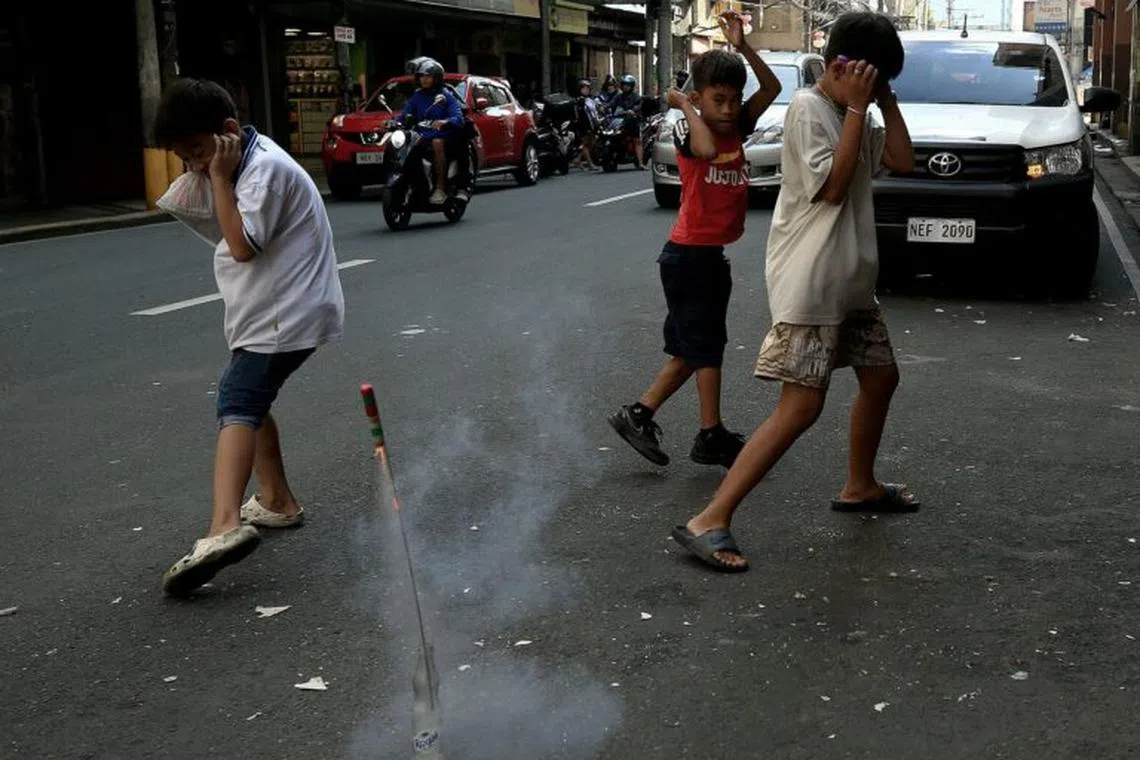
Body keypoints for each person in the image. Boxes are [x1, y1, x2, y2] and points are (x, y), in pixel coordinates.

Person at [671, 12, 919, 573]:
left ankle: (859, 485)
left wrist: (886, 103)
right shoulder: (811, 109)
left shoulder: (853, 109)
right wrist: (858, 108)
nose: (878, 90)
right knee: (801, 406)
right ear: (843, 68)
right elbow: (831, 190)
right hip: (812, 283)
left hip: (850, 282)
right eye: (874, 79)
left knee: (882, 378)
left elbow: (901, 160)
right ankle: (709, 518)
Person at [153, 79, 345, 596]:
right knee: (253, 401)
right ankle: (277, 499)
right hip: (273, 312)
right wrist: (210, 171)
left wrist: (216, 176)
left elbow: (240, 246)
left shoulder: (263, 171)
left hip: (284, 315)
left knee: (237, 399)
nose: (193, 164)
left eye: (197, 151)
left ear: (229, 133)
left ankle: (222, 527)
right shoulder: (246, 163)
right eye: (184, 156)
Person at [608, 11, 783, 472]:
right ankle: (710, 433)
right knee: (704, 347)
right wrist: (684, 106)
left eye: (732, 100)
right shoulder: (692, 129)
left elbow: (772, 90)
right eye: (717, 100)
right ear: (701, 99)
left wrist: (743, 46)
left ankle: (639, 414)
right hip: (688, 257)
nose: (727, 108)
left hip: (707, 257)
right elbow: (704, 151)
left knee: (693, 348)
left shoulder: (737, 125)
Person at [397, 58, 464, 205]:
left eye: (428, 76)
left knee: (437, 143)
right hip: (421, 136)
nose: (424, 80)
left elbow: (458, 118)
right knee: (404, 143)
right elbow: (404, 115)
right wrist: (393, 123)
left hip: (441, 137)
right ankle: (414, 181)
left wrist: (445, 122)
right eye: (422, 76)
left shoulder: (446, 96)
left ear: (436, 78)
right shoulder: (416, 97)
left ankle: (440, 188)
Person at [609, 74, 646, 169]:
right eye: (624, 84)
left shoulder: (636, 96)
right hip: (619, 120)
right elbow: (611, 104)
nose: (625, 87)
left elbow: (639, 105)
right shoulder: (619, 96)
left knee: (637, 140)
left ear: (632, 86)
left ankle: (641, 163)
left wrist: (633, 110)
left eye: (628, 85)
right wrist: (603, 107)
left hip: (632, 121)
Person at [570, 78, 600, 171]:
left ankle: (578, 159)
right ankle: (590, 163)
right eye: (583, 89)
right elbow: (579, 114)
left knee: (592, 142)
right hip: (583, 124)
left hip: (592, 124)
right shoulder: (579, 100)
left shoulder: (590, 100)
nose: (586, 90)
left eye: (587, 88)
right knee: (585, 144)